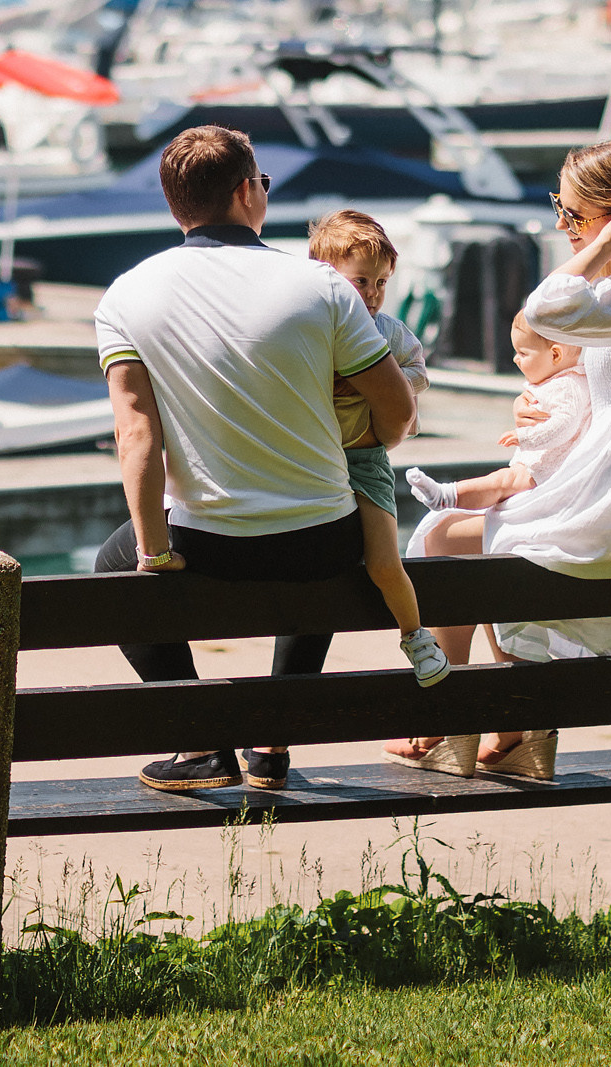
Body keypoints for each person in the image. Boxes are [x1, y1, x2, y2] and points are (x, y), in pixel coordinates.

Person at [89, 126, 419, 793]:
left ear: (173, 201)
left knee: (109, 565)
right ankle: (271, 739)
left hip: (207, 544)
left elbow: (136, 436)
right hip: (321, 545)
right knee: (331, 528)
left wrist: (155, 552)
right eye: (262, 182)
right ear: (247, 191)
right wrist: (363, 439)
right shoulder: (322, 288)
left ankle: (199, 740)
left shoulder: (126, 294)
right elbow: (398, 410)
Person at [390, 138, 611, 781]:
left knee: (443, 537)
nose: (564, 228)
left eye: (574, 215)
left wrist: (604, 245)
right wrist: (553, 410)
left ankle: (449, 716)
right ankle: (516, 730)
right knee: (491, 542)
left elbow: (543, 311)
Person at [307, 209, 449, 687]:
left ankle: (415, 636)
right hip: (311, 454)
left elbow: (418, 371)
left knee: (385, 560)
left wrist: (381, 384)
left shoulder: (388, 330)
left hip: (365, 458)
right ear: (325, 278)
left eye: (381, 283)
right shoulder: (310, 330)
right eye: (359, 281)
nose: (370, 294)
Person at [404, 313, 588, 514]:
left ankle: (446, 496)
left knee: (501, 482)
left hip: (550, 469)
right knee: (499, 483)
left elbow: (565, 424)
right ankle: (446, 495)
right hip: (539, 464)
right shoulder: (554, 380)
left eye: (523, 353)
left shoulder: (567, 386)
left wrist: (525, 437)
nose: (515, 359)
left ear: (555, 355)